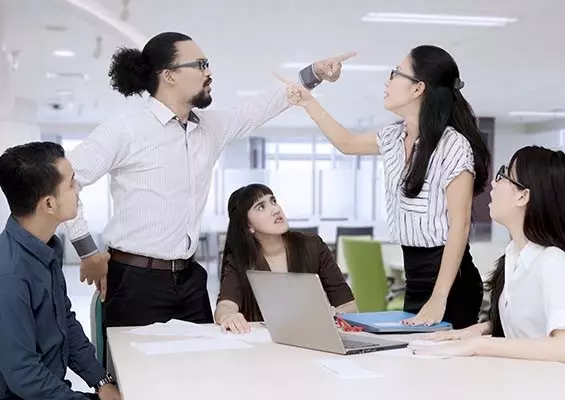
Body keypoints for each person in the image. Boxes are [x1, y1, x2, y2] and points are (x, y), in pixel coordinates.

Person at [61, 31, 355, 346]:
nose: (209, 72)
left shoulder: (209, 128)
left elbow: (259, 108)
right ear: (169, 75)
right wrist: (87, 251)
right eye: (200, 64)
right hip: (135, 281)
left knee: (203, 367)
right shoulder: (126, 129)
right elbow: (63, 180)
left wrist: (314, 73)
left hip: (189, 280)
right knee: (137, 372)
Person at [276, 45, 490, 329]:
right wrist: (308, 102)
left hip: (451, 284)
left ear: (418, 88)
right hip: (415, 278)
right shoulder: (392, 137)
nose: (388, 81)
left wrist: (439, 297)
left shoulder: (453, 145)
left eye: (396, 73)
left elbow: (459, 226)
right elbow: (346, 143)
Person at [410, 146, 565, 362]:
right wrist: (480, 330)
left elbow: (561, 347)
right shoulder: (513, 255)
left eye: (503, 175)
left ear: (523, 196)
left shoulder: (553, 261)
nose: (493, 183)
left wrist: (479, 345)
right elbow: (529, 322)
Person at [0, 142, 121, 399]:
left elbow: (64, 322)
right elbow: (24, 375)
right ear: (49, 204)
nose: (77, 191)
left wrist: (101, 381)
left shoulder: (44, 249)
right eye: (71, 184)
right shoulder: (10, 275)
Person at [215, 184, 357, 333]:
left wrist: (335, 315)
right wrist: (229, 316)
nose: (275, 209)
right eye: (261, 207)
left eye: (273, 201)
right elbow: (225, 305)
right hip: (261, 343)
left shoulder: (313, 246)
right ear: (248, 225)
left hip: (312, 338)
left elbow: (349, 305)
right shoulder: (239, 259)